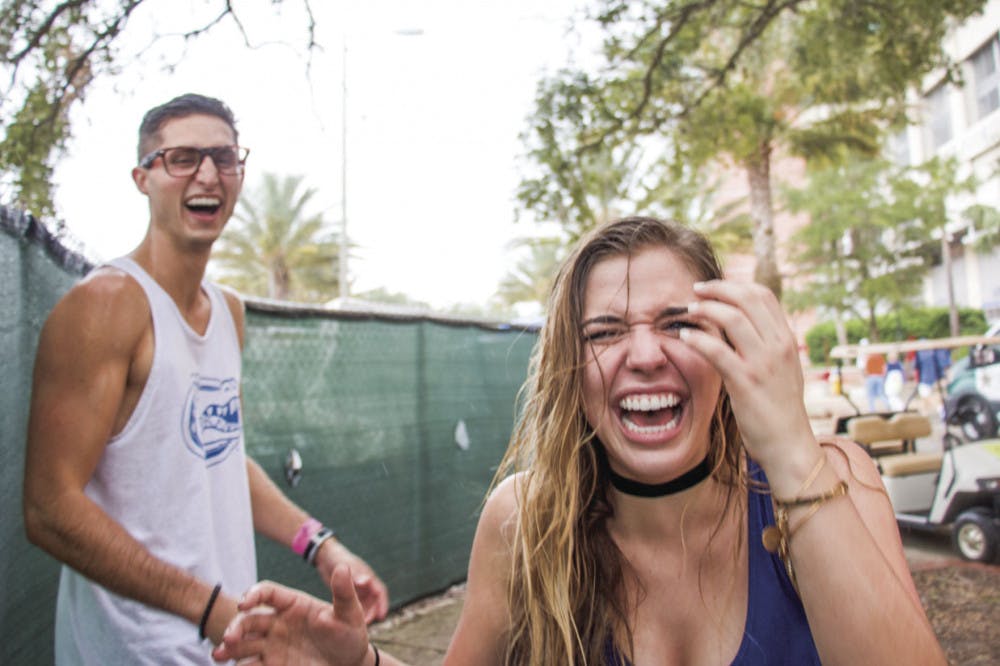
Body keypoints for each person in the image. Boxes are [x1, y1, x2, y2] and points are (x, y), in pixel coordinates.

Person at [213, 217, 945, 665]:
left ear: (730, 345)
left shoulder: (831, 479)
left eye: (678, 323)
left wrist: (789, 451)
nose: (645, 355)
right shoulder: (523, 520)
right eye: (605, 332)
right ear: (571, 368)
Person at [22, 93, 388, 665]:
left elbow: (216, 455)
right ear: (143, 177)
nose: (209, 175)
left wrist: (320, 545)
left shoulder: (228, 313)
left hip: (225, 646)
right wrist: (210, 607)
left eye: (224, 157)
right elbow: (49, 509)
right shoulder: (105, 304)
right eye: (183, 157)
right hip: (137, 651)